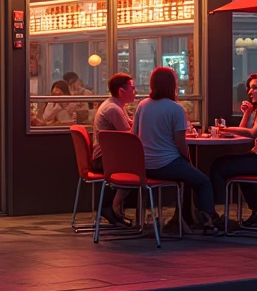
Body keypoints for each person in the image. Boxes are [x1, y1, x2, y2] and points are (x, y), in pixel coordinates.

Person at [134, 66, 221, 235]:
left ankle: (186, 218)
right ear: (172, 85)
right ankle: (209, 222)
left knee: (190, 177)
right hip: (167, 164)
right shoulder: (175, 109)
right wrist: (188, 160)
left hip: (144, 166)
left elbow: (134, 135)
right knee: (202, 181)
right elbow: (180, 142)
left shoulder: (142, 105)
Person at [210, 71, 257, 227]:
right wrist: (247, 112)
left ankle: (214, 213)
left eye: (254, 88)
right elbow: (243, 129)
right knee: (223, 165)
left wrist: (225, 129)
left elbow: (252, 134)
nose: (250, 91)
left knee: (219, 166)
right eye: (250, 88)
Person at [91, 72, 136, 225]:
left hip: (107, 157)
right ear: (121, 90)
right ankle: (112, 207)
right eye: (132, 88)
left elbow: (131, 126)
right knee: (139, 168)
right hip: (103, 160)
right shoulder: (113, 109)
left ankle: (113, 207)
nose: (134, 91)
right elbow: (130, 137)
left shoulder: (116, 106)